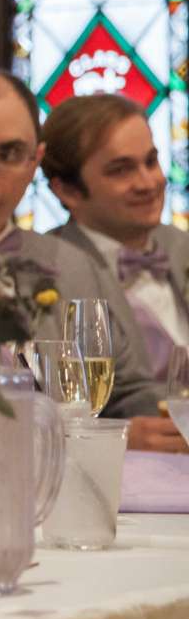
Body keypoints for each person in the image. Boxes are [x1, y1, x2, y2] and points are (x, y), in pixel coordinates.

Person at [0, 67, 162, 421]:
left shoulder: (74, 265)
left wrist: (146, 423)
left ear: (35, 162)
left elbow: (129, 391)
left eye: (10, 153)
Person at [39, 93, 186, 451]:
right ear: (67, 190)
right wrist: (116, 436)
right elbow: (48, 408)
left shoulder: (181, 246)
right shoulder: (45, 272)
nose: (148, 182)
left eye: (150, 162)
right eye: (121, 169)